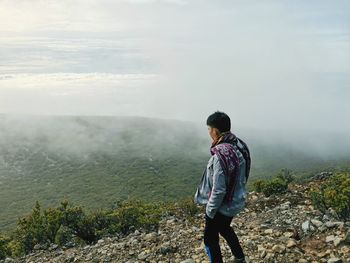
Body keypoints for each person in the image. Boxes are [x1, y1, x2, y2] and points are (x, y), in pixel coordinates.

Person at [194, 111, 251, 263]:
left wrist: (210, 211)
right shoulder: (239, 145)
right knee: (224, 228)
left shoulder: (220, 156)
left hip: (223, 205)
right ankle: (239, 258)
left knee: (210, 240)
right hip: (236, 199)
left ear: (215, 130)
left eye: (209, 129)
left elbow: (219, 190)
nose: (209, 132)